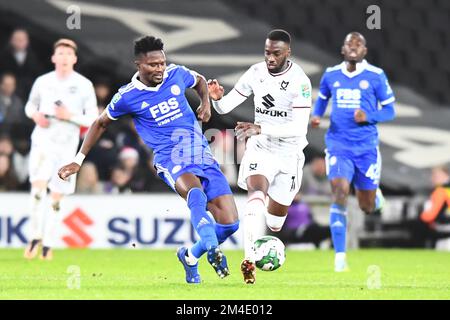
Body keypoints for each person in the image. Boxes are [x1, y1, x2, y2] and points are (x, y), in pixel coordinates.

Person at [58, 36, 240, 284]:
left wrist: (206, 103)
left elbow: (199, 81)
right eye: (153, 65)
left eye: (162, 63)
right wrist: (78, 160)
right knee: (195, 194)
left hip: (200, 152)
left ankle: (189, 255)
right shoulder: (127, 96)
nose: (159, 69)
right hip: (170, 157)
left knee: (230, 225)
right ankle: (210, 248)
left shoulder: (176, 74)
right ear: (138, 65)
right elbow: (100, 123)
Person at [208, 29, 312, 284]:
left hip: (289, 153)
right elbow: (225, 107)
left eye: (276, 53)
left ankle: (266, 239)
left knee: (275, 223)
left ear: (288, 52)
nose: (270, 58)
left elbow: (299, 128)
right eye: (267, 53)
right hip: (261, 147)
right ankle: (249, 259)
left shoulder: (300, 82)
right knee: (256, 194)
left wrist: (260, 127)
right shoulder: (255, 73)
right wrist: (217, 100)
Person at [311, 32, 395, 271]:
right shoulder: (331, 75)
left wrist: (370, 116)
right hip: (338, 145)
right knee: (339, 191)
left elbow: (390, 111)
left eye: (359, 44)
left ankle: (375, 196)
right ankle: (340, 258)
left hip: (366, 148)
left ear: (365, 51)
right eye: (350, 43)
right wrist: (317, 115)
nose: (354, 47)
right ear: (343, 49)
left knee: (366, 206)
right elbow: (322, 100)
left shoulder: (376, 76)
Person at [23, 38, 98, 260]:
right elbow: (30, 105)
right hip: (43, 140)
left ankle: (49, 243)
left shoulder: (84, 85)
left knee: (57, 196)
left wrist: (71, 116)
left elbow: (93, 117)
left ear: (74, 58)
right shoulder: (42, 81)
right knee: (37, 190)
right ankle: (34, 236)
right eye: (61, 53)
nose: (64, 57)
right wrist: (34, 115)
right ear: (54, 57)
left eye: (68, 54)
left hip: (66, 145)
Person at [0, 29, 43, 101]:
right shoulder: (4, 56)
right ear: (11, 41)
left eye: (23, 40)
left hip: (26, 91)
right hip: (7, 88)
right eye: (17, 39)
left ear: (27, 41)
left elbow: (37, 73)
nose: (20, 42)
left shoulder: (32, 57)